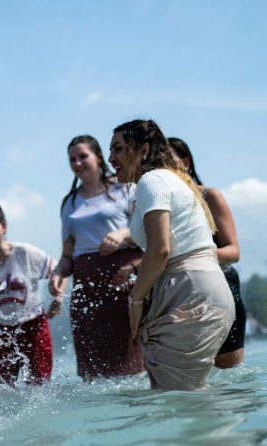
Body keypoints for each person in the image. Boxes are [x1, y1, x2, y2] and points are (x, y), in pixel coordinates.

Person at [108, 119, 234, 390]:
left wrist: (136, 301)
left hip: (187, 290)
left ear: (142, 149)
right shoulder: (168, 179)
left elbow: (160, 249)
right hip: (196, 288)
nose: (110, 159)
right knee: (181, 401)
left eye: (118, 149)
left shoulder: (151, 181)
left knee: (175, 402)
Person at [48, 135, 144, 380]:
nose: (77, 163)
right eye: (72, 159)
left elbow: (150, 233)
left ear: (99, 157)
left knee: (132, 366)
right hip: (86, 290)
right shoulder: (70, 202)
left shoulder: (125, 188)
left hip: (124, 281)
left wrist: (124, 234)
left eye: (83, 156)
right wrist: (59, 274)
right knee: (93, 374)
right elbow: (68, 255)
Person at [168, 137, 244, 368]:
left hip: (220, 285)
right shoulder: (162, 205)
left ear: (186, 162)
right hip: (180, 291)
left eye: (169, 161)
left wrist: (194, 258)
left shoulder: (210, 196)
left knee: (227, 372)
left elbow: (233, 251)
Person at [0, 202, 62, 384]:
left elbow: (58, 270)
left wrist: (58, 298)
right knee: (2, 387)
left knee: (40, 384)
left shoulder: (24, 252)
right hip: (0, 332)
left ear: (4, 226)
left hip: (33, 325)